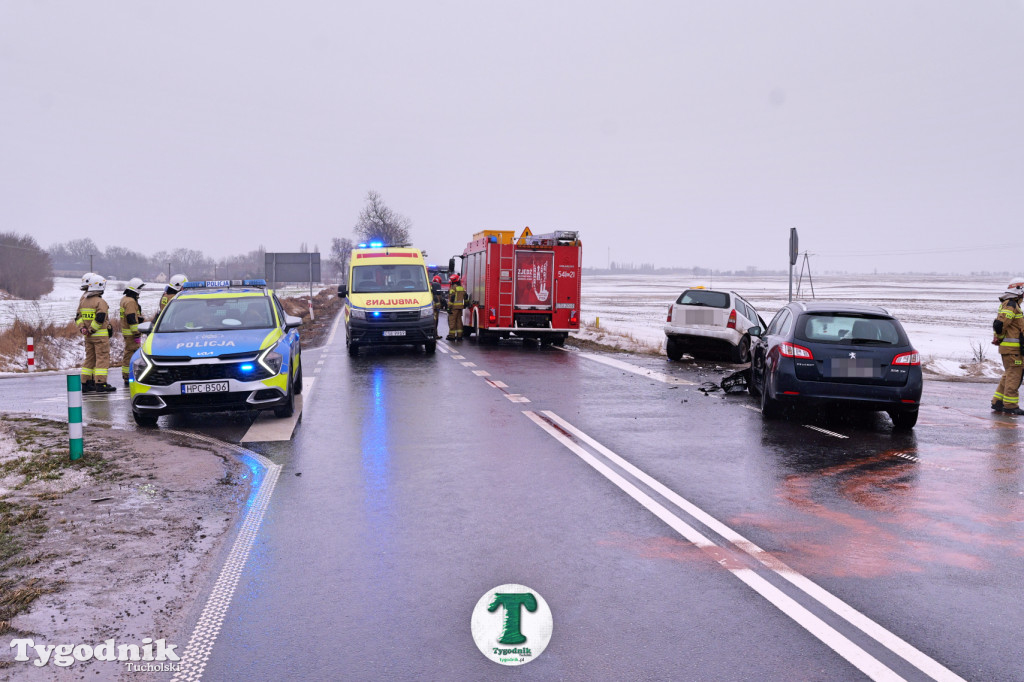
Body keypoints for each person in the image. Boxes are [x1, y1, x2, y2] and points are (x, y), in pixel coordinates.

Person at [75, 274, 116, 393]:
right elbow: (100, 318)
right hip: (100, 337)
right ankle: (100, 383)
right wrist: (92, 330)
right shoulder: (100, 302)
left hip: (88, 338)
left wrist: (83, 329)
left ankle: (86, 383)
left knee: (90, 359)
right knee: (102, 359)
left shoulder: (83, 301)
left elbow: (78, 317)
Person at [991, 277, 1024, 414]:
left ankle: (998, 401)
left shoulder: (1011, 304)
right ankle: (1010, 405)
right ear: (1019, 290)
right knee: (1014, 375)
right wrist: (998, 338)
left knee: (1009, 374)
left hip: (1010, 349)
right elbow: (1001, 325)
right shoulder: (1011, 304)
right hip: (1013, 349)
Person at [118, 278, 146, 385]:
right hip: (132, 334)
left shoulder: (124, 299)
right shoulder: (130, 301)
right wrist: (137, 332)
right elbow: (131, 318)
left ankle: (127, 376)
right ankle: (129, 376)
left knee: (128, 354)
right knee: (132, 355)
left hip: (127, 332)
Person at [447, 273, 467, 341]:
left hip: (453, 308)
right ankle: (459, 336)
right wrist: (465, 304)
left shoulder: (453, 288)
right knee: (459, 321)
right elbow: (466, 296)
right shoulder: (461, 288)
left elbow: (452, 298)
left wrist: (449, 307)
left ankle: (452, 336)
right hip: (460, 308)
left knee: (452, 321)